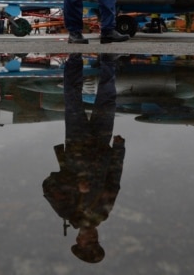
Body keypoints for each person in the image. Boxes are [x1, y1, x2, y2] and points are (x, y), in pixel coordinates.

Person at [43, 53, 125, 263]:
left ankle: (74, 58)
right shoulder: (102, 213)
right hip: (101, 145)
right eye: (96, 242)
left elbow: (48, 184)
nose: (93, 239)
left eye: (89, 243)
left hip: (77, 144)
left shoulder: (67, 211)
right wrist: (118, 149)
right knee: (107, 99)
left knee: (72, 97)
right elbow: (113, 182)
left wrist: (74, 185)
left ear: (79, 240)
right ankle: (107, 60)